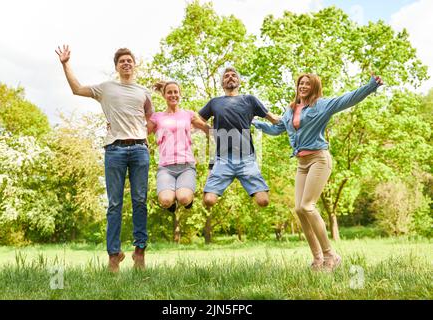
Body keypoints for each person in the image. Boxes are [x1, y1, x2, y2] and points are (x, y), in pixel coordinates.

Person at [253, 73, 383, 271]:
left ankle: (331, 255)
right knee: (299, 209)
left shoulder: (321, 105)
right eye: (300, 83)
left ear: (314, 87)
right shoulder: (290, 110)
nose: (303, 86)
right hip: (301, 163)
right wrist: (252, 123)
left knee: (307, 206)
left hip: (319, 160)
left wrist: (371, 86)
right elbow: (277, 129)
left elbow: (348, 99)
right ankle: (317, 258)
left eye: (307, 84)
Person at [55, 45, 153, 272]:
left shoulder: (143, 91)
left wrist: (142, 136)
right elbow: (77, 89)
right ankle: (113, 256)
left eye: (129, 60)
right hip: (115, 150)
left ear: (134, 65)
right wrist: (65, 64)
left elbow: (149, 118)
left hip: (139, 150)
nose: (126, 63)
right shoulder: (106, 88)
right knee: (114, 204)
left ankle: (139, 253)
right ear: (117, 67)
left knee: (140, 200)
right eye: (122, 61)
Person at [198, 67, 280, 209]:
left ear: (239, 81)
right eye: (226, 76)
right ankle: (209, 188)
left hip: (246, 158)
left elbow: (273, 119)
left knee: (263, 201)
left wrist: (294, 118)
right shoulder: (214, 102)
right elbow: (196, 119)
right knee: (209, 200)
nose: (230, 77)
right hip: (222, 158)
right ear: (222, 83)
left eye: (233, 75)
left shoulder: (249, 100)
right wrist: (209, 131)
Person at [148, 81, 210, 212]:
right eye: (169, 92)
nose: (173, 95)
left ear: (180, 94)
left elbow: (207, 129)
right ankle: (171, 202)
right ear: (164, 95)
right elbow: (140, 132)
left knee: (183, 199)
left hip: (186, 165)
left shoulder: (188, 114)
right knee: (165, 201)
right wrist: (117, 128)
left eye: (176, 92)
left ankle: (186, 199)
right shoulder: (157, 117)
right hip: (165, 167)